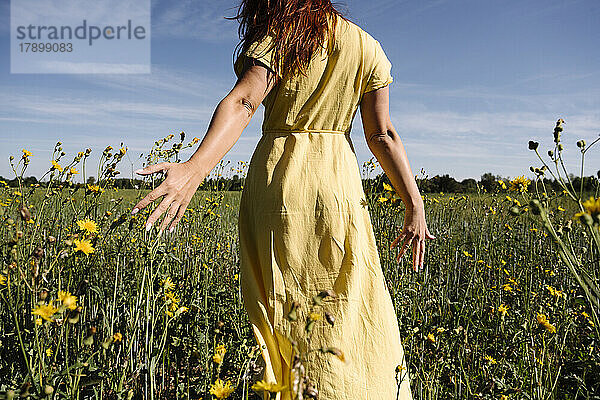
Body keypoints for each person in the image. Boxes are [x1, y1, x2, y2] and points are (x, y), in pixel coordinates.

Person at [132, 1, 435, 399]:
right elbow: (382, 135)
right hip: (338, 181)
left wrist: (195, 167)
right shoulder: (367, 46)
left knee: (278, 302)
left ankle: (287, 390)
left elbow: (244, 102)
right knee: (346, 299)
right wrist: (414, 203)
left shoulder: (285, 33)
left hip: (282, 178)